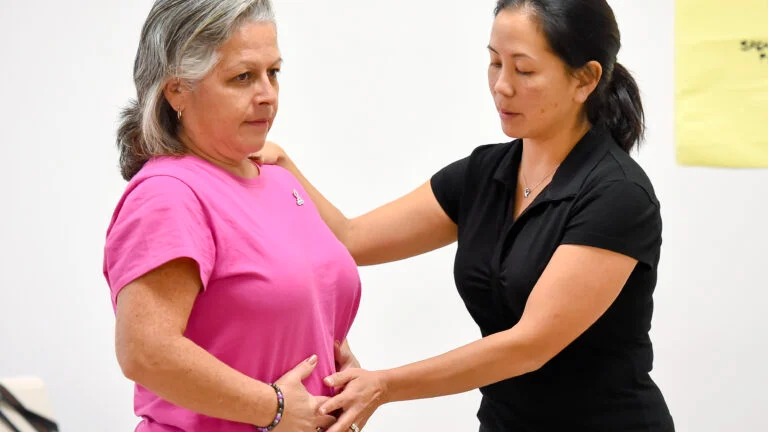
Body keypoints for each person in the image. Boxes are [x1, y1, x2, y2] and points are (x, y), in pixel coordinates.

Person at [254, 0, 675, 431]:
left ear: (585, 79)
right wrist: (284, 165)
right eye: (494, 63)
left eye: (524, 70)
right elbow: (352, 239)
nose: (501, 86)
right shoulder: (484, 174)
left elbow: (528, 346)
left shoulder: (617, 195)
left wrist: (384, 384)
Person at [102, 1, 362, 431]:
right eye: (243, 77)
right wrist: (274, 407)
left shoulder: (280, 182)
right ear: (177, 90)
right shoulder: (168, 195)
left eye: (273, 72)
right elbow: (145, 352)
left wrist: (341, 380)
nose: (267, 94)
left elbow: (294, 309)